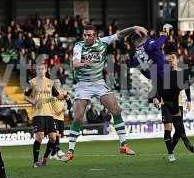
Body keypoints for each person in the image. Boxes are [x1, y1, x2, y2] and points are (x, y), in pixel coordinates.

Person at [62, 24, 148, 162]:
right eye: (85, 34)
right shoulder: (79, 46)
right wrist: (85, 63)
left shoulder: (103, 42)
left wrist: (132, 28)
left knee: (116, 110)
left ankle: (123, 145)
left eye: (89, 35)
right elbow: (75, 64)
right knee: (78, 117)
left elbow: (119, 35)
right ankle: (70, 151)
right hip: (83, 84)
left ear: (95, 36)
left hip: (98, 83)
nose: (86, 37)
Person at [151, 46, 194, 163]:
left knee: (178, 130)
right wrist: (155, 98)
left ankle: (171, 150)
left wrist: (189, 100)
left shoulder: (182, 73)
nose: (170, 61)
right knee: (168, 128)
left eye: (172, 58)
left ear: (177, 60)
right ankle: (174, 151)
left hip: (179, 104)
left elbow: (187, 87)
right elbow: (157, 89)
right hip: (166, 103)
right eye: (168, 59)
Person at [24, 63, 65, 167]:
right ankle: (35, 162)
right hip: (38, 114)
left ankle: (45, 158)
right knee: (40, 137)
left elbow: (57, 95)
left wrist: (66, 96)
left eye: (42, 68)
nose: (40, 70)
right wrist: (32, 102)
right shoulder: (32, 82)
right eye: (38, 69)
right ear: (36, 70)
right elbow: (25, 96)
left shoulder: (50, 83)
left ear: (46, 70)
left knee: (53, 137)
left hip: (49, 114)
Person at [49, 79, 72, 160]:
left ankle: (53, 154)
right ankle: (58, 150)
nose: (57, 83)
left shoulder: (64, 92)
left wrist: (67, 110)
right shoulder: (51, 93)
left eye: (58, 82)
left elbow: (69, 102)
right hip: (53, 116)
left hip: (61, 117)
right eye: (55, 82)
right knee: (56, 135)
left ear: (60, 83)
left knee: (59, 135)